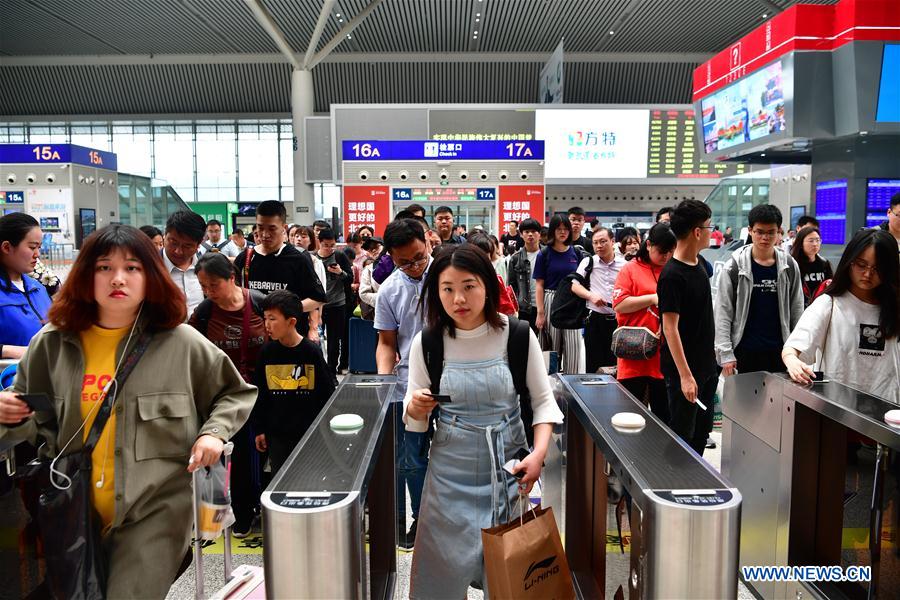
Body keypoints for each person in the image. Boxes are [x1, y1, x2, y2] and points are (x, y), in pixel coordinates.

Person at [0, 224, 256, 598]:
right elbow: (29, 419)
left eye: (133, 268)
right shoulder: (53, 343)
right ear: (86, 275)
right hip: (75, 512)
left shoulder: (181, 342)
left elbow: (235, 393)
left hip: (154, 512)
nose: (117, 278)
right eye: (104, 267)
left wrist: (213, 432)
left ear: (150, 277)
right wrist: (9, 413)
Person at [403, 244, 564, 597]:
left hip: (507, 472)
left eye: (469, 286)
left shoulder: (517, 334)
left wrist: (537, 455)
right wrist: (416, 407)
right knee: (440, 574)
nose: (458, 298)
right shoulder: (428, 342)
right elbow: (413, 418)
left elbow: (542, 402)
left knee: (510, 571)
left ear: (488, 286)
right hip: (448, 475)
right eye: (447, 288)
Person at [189, 252, 267, 538]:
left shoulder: (258, 302)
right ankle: (234, 515)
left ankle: (259, 509)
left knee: (259, 454)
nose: (208, 292)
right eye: (203, 286)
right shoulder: (204, 313)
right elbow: (190, 350)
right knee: (228, 459)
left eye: (213, 285)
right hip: (223, 397)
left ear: (232, 278)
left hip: (262, 393)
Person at [783, 229, 900, 404]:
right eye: (861, 265)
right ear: (850, 261)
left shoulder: (894, 307)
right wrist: (792, 361)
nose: (868, 274)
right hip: (838, 409)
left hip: (886, 411)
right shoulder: (829, 304)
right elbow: (793, 347)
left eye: (878, 268)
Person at [374, 219, 432, 549]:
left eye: (419, 257)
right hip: (407, 385)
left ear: (427, 243)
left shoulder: (448, 277)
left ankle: (429, 517)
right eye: (404, 262)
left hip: (451, 381)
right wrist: (384, 381)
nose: (414, 267)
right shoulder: (389, 290)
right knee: (408, 459)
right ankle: (405, 519)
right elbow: (386, 341)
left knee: (450, 455)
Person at [715, 204, 805, 376]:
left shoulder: (789, 266)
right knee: (743, 402)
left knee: (778, 403)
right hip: (743, 352)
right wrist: (726, 353)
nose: (765, 237)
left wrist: (796, 350)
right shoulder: (734, 267)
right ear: (750, 231)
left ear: (779, 232)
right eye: (759, 232)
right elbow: (723, 312)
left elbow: (797, 309)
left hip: (781, 352)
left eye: (771, 232)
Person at [252, 290, 335, 473]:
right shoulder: (267, 352)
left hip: (310, 434)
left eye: (272, 319)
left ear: (292, 322)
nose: (267, 325)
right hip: (278, 434)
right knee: (280, 480)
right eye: (265, 318)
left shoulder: (311, 352)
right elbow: (260, 395)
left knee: (309, 478)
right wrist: (260, 428)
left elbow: (327, 394)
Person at [658, 200, 717, 455]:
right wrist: (685, 375)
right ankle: (676, 488)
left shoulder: (701, 264)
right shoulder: (672, 274)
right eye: (708, 227)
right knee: (683, 435)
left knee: (702, 433)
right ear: (696, 232)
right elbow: (670, 328)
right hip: (684, 371)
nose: (710, 232)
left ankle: (696, 486)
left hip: (706, 366)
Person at [613, 222, 677, 423]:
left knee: (664, 418)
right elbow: (620, 304)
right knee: (630, 417)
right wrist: (651, 298)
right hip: (634, 354)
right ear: (648, 245)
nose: (666, 257)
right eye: (661, 251)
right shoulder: (630, 270)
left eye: (670, 252)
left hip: (665, 355)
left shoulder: (673, 270)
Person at [234, 201, 326, 337]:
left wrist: (289, 309)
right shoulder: (245, 258)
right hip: (254, 337)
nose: (264, 234)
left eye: (271, 229)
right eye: (260, 228)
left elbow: (318, 298)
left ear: (283, 228)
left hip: (289, 339)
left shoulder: (297, 259)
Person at [534, 214, 586, 374]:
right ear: (553, 231)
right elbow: (539, 285)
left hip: (572, 301)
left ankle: (571, 388)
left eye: (565, 229)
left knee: (573, 347)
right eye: (558, 229)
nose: (562, 232)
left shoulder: (576, 253)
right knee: (552, 349)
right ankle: (550, 387)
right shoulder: (544, 254)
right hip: (551, 299)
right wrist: (540, 312)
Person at [572, 227, 625, 373]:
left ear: (612, 242)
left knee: (616, 364)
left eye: (603, 241)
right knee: (593, 364)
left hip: (618, 321)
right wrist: (591, 296)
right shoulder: (588, 262)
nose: (599, 246)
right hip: (594, 319)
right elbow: (574, 286)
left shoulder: (624, 265)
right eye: (595, 243)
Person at [0, 213, 52, 360]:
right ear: (6, 247)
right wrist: (10, 351)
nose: (37, 254)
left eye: (39, 247)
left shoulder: (38, 288)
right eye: (32, 247)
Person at [316, 228, 352, 375]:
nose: (330, 248)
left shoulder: (339, 256)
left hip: (338, 303)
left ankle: (331, 371)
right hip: (317, 305)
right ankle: (320, 370)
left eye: (332, 245)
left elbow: (350, 278)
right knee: (316, 338)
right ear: (319, 242)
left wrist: (340, 272)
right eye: (326, 245)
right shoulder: (313, 258)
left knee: (333, 340)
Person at [162, 210, 206, 317]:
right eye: (173, 242)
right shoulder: (149, 268)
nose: (178, 251)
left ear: (198, 244)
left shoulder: (207, 268)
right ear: (165, 235)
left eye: (187, 246)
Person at [507, 218, 543, 332]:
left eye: (534, 231)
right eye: (526, 232)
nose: (530, 234)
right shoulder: (515, 258)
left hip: (545, 306)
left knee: (545, 344)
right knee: (526, 341)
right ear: (521, 235)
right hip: (524, 309)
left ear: (539, 234)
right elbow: (511, 287)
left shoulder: (547, 255)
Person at [790, 227, 833, 306]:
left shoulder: (824, 264)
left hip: (820, 308)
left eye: (817, 240)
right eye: (811, 241)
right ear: (801, 243)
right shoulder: (793, 264)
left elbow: (830, 286)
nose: (815, 244)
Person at [358, 237, 383, 319]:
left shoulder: (397, 263)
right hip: (379, 313)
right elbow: (363, 293)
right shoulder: (368, 269)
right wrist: (384, 300)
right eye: (370, 249)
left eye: (376, 247)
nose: (373, 250)